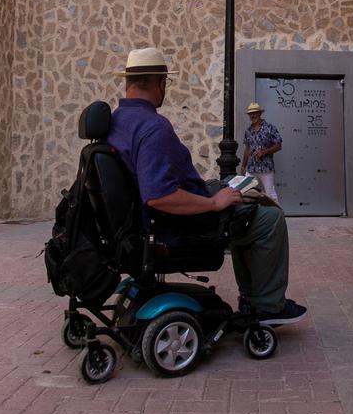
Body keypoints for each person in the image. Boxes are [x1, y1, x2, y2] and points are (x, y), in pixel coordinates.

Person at [106, 47, 308, 325]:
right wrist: (214, 203)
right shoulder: (153, 127)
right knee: (269, 219)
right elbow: (158, 196)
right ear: (161, 83)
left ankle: (253, 296)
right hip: (176, 224)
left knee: (237, 194)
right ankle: (267, 305)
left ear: (127, 82)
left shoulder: (116, 121)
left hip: (150, 220)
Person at [241, 102, 283, 204]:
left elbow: (279, 145)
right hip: (251, 168)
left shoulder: (270, 128)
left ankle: (277, 216)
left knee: (270, 194)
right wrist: (243, 166)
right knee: (245, 192)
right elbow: (247, 149)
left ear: (260, 113)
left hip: (266, 168)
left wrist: (264, 152)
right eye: (250, 114)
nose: (252, 115)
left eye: (255, 113)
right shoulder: (248, 131)